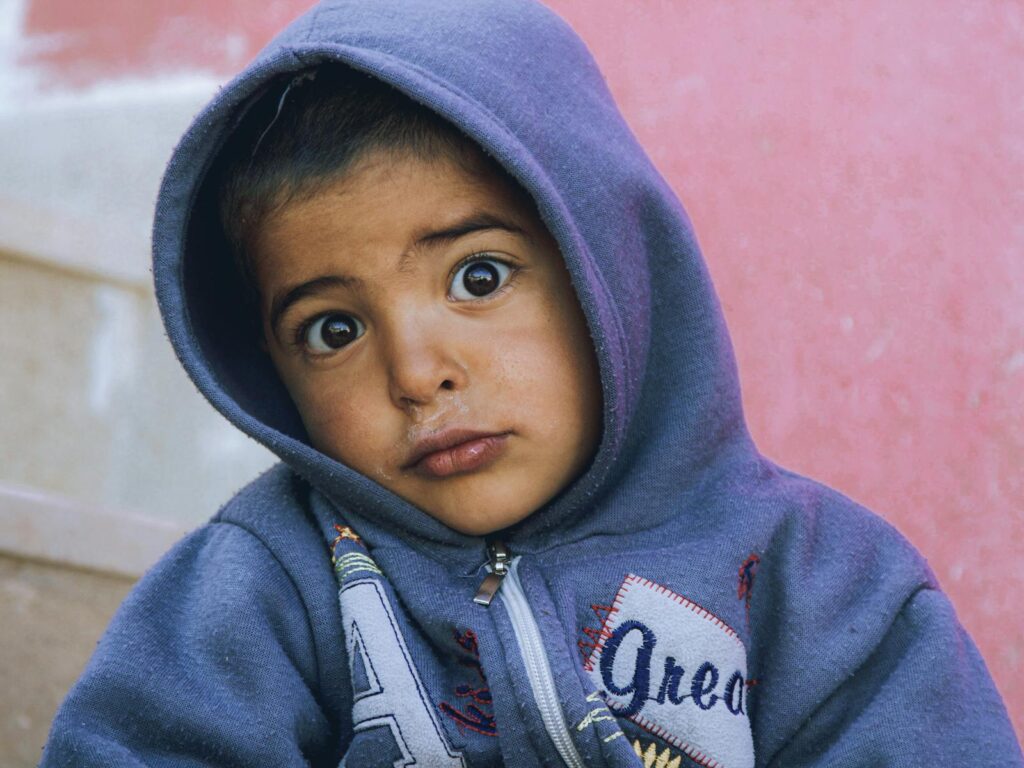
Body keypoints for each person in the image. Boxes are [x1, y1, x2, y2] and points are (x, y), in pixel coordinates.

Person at [41, 1, 1021, 766]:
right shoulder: (263, 584)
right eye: (332, 329)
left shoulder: (821, 582)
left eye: (479, 275)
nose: (418, 372)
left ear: (609, 265)